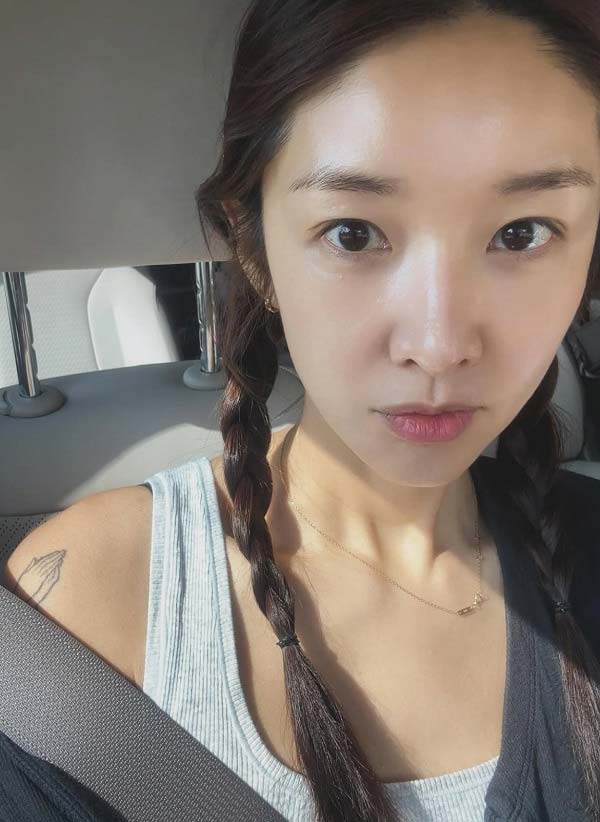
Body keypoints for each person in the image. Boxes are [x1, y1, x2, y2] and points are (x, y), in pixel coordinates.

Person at [4, 1, 600, 821]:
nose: (439, 344)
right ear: (254, 248)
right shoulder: (90, 612)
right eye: (353, 234)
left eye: (523, 233)